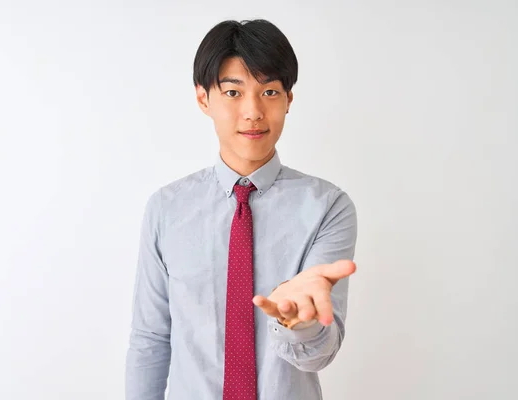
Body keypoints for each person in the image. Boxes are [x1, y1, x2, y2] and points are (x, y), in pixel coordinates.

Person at [125, 19, 358, 400]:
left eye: (269, 92)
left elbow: (320, 355)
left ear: (288, 100)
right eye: (233, 92)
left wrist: (299, 321)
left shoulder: (328, 207)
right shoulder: (166, 209)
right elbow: (150, 339)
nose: (252, 111)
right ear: (204, 99)